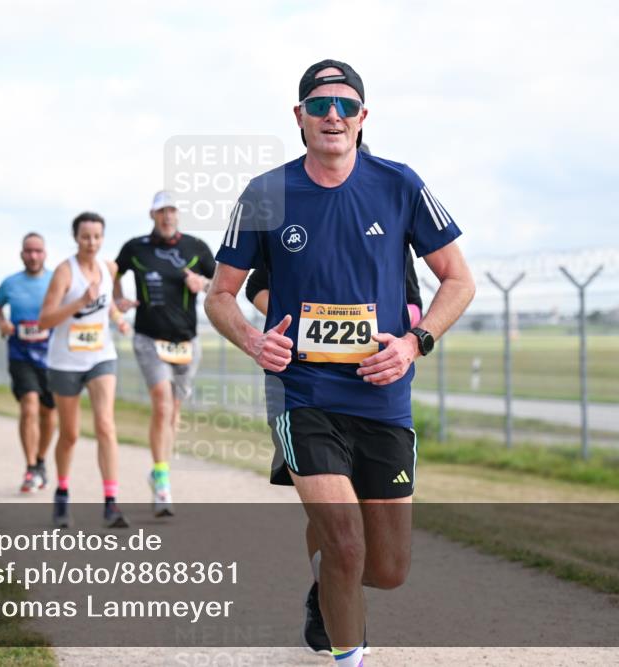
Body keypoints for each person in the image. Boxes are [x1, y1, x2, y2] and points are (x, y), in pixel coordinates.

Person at [204, 59, 475, 665]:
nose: (333, 115)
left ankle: (326, 587)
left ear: (362, 118)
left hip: (382, 395)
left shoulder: (399, 184)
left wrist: (414, 343)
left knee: (388, 567)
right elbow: (220, 295)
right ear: (299, 117)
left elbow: (458, 280)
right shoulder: (266, 194)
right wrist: (253, 342)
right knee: (347, 545)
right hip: (304, 395)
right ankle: (346, 646)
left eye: (346, 106)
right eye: (320, 105)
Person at [114, 190, 216, 517]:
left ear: (178, 214)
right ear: (152, 216)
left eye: (171, 210)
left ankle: (160, 469)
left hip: (186, 341)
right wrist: (118, 301)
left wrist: (202, 283)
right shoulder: (136, 248)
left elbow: (224, 286)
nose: (167, 216)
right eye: (161, 211)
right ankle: (162, 481)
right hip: (148, 338)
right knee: (161, 402)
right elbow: (111, 274)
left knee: (173, 411)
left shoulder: (196, 248)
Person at [39, 212, 131, 528]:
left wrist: (119, 318)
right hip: (65, 361)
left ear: (103, 238)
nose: (91, 242)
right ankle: (63, 491)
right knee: (70, 434)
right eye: (85, 237)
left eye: (96, 236)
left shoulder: (109, 268)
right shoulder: (65, 273)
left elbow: (107, 303)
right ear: (76, 238)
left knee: (105, 424)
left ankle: (111, 503)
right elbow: (45, 320)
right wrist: (78, 302)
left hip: (101, 355)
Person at [0, 233, 58, 493]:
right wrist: (2, 324)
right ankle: (30, 467)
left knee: (48, 413)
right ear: (22, 254)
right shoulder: (10, 283)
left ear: (45, 254)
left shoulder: (56, 280)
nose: (33, 256)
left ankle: (41, 460)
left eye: (38, 251)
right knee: (29, 406)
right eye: (29, 251)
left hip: (52, 356)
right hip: (21, 354)